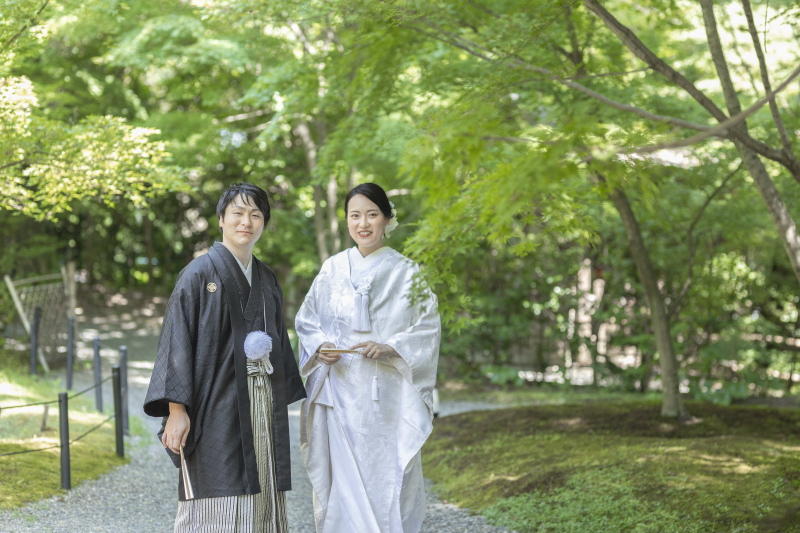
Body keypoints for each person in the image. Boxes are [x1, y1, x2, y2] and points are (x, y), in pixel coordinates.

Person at [144, 182, 306, 533]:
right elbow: (177, 343)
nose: (246, 221)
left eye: (255, 214)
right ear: (221, 219)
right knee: (215, 486)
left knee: (262, 486)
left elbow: (278, 342)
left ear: (263, 223)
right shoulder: (197, 275)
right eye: (237, 213)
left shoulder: (266, 278)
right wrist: (176, 410)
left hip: (259, 404)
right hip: (213, 404)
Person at [295, 183, 441, 533]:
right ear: (346, 220)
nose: (363, 223)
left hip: (387, 396)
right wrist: (320, 347)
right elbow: (307, 320)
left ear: (387, 219)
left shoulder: (407, 271)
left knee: (391, 477)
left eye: (372, 214)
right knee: (341, 482)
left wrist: (392, 346)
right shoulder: (331, 269)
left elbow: (428, 327)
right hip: (339, 392)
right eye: (355, 215)